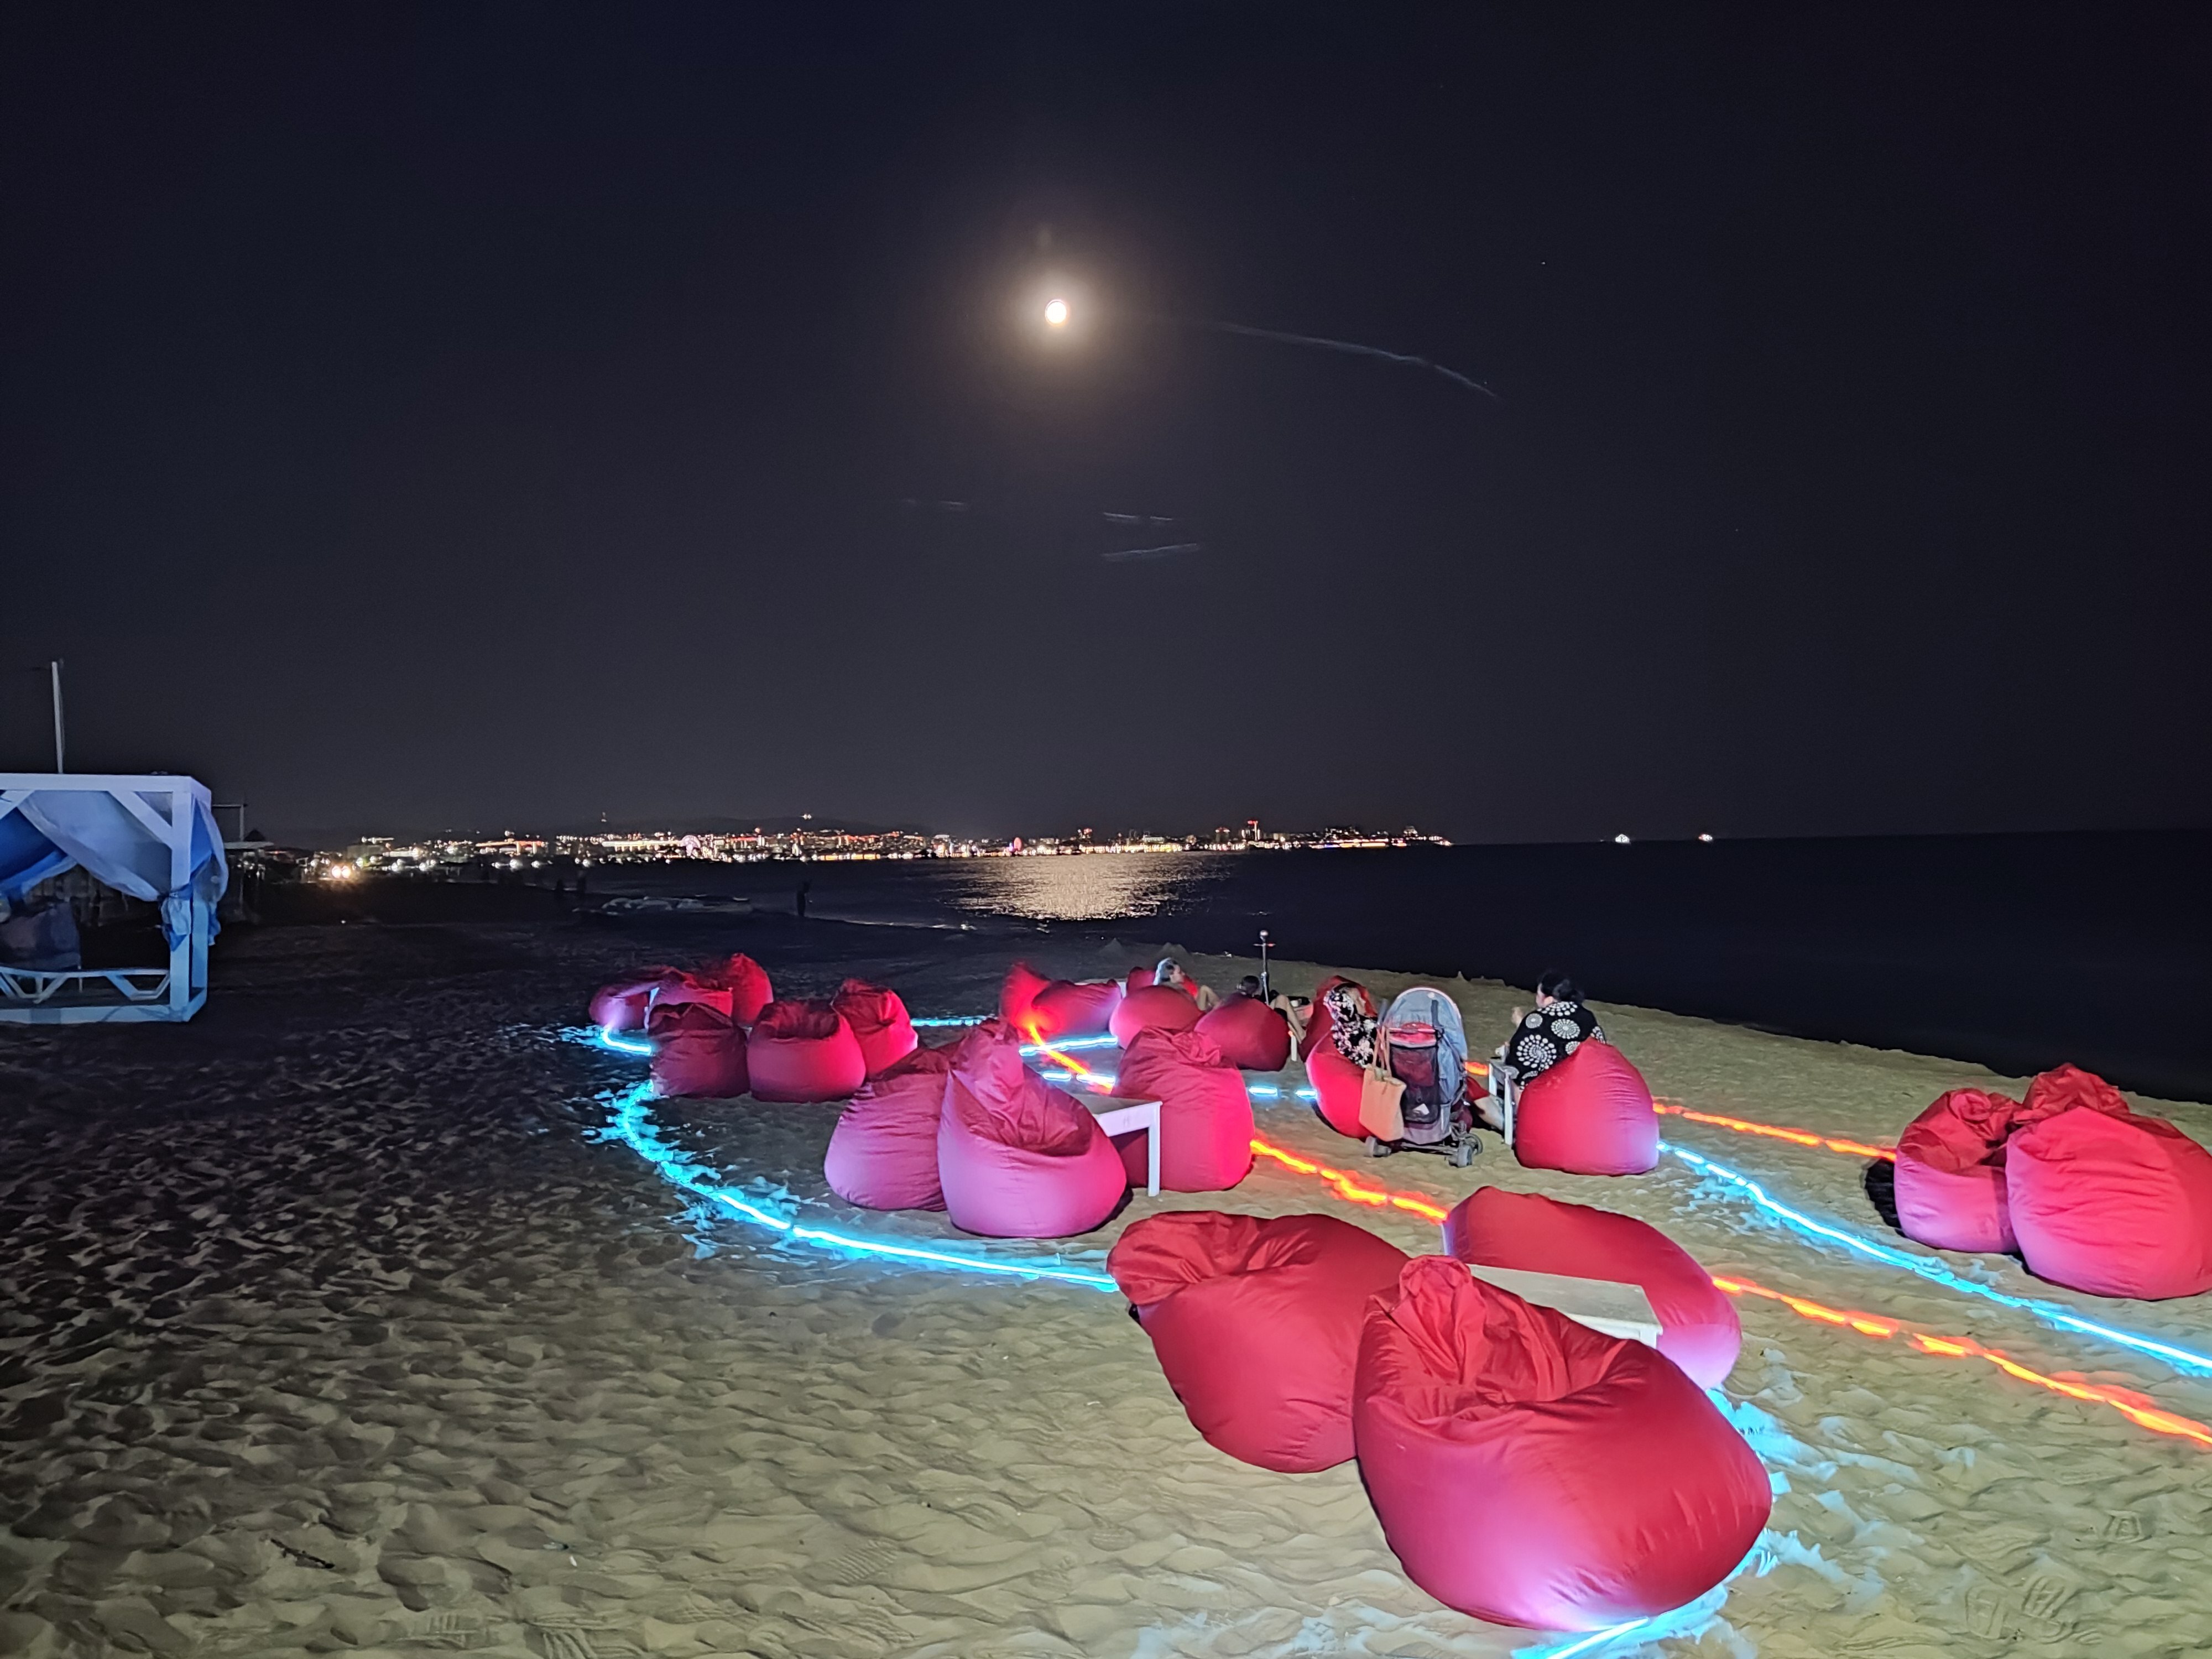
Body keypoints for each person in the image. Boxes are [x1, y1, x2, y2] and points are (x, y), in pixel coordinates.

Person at [1496, 972, 1605, 1087]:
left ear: (1548, 1000)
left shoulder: (1537, 1019)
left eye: (1538, 995)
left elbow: (1520, 1062)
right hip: (1590, 1082)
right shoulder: (1587, 1016)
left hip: (1553, 1087)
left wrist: (1520, 1029)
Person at [1151, 957, 1221, 1014]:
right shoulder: (1175, 990)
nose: (1183, 974)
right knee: (1204, 989)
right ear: (1171, 976)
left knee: (1204, 991)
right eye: (1180, 972)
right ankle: (1220, 1010)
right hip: (1192, 1014)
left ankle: (1219, 1008)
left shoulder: (1166, 987)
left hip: (1188, 1011)